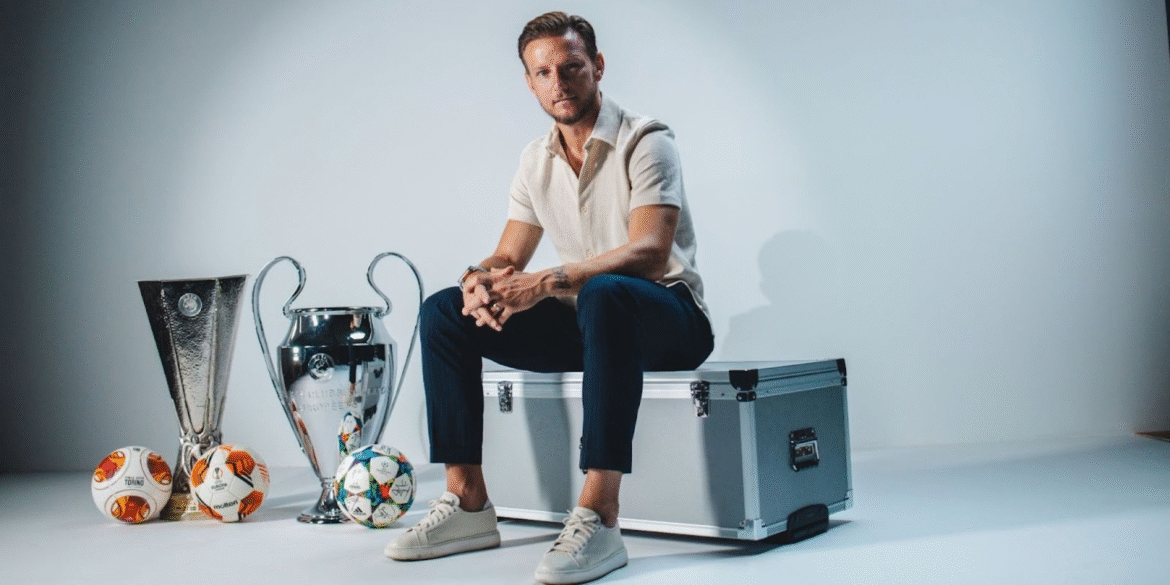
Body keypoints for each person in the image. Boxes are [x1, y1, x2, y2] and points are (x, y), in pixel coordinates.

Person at [383, 11, 713, 584]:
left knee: (607, 293)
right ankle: (466, 505)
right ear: (530, 82)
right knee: (443, 309)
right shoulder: (534, 160)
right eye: (542, 73)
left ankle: (599, 514)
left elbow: (652, 252)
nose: (557, 82)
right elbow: (507, 257)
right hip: (592, 325)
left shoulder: (646, 139)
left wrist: (551, 280)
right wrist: (476, 279)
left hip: (668, 318)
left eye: (570, 67)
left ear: (597, 67)